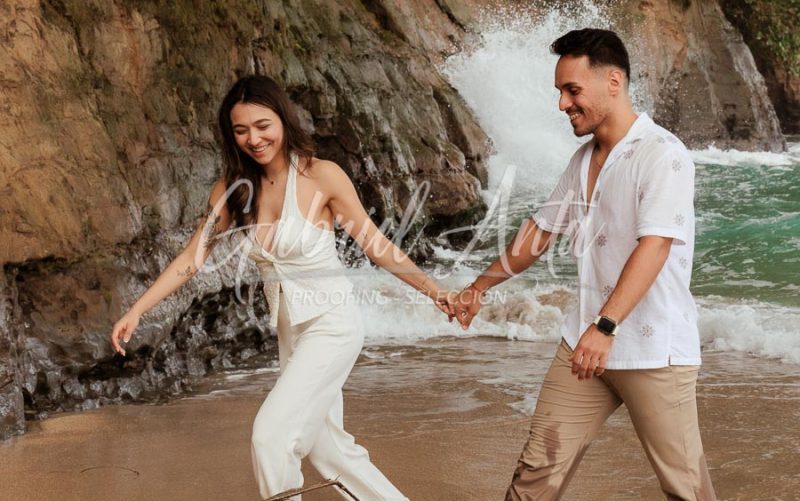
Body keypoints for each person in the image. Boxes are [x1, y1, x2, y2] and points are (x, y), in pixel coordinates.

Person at [110, 75, 455, 500]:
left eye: (262, 125)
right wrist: (137, 309)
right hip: (291, 333)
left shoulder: (322, 176)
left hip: (333, 326)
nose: (253, 139)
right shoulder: (233, 191)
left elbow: (377, 246)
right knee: (332, 454)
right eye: (240, 130)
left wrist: (435, 291)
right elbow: (190, 259)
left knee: (269, 438)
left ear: (283, 120)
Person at [452, 28, 716, 500]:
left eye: (572, 90)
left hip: (652, 353)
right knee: (535, 472)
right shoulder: (583, 160)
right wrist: (478, 287)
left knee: (687, 490)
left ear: (613, 82)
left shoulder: (663, 154)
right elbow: (539, 232)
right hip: (584, 346)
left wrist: (606, 326)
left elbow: (654, 246)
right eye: (560, 92)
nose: (562, 104)